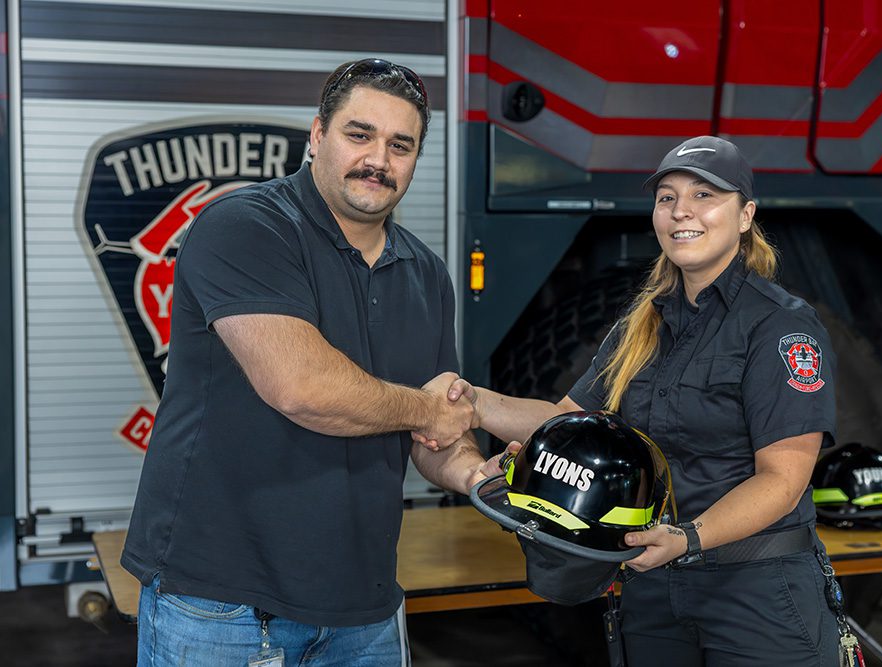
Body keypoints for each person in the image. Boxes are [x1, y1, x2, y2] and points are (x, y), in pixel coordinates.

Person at [121, 58, 502, 666]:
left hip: (364, 608)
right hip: (225, 606)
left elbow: (436, 432)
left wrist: (481, 477)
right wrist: (428, 409)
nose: (379, 159)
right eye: (360, 134)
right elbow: (302, 389)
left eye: (400, 145)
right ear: (317, 136)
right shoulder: (246, 227)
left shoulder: (427, 274)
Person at [426, 136, 842, 664]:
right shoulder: (643, 323)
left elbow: (783, 480)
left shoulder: (779, 326)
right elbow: (567, 423)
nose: (680, 211)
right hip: (654, 582)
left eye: (704, 195)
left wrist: (688, 537)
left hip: (757, 591)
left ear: (745, 215)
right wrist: (474, 403)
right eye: (666, 197)